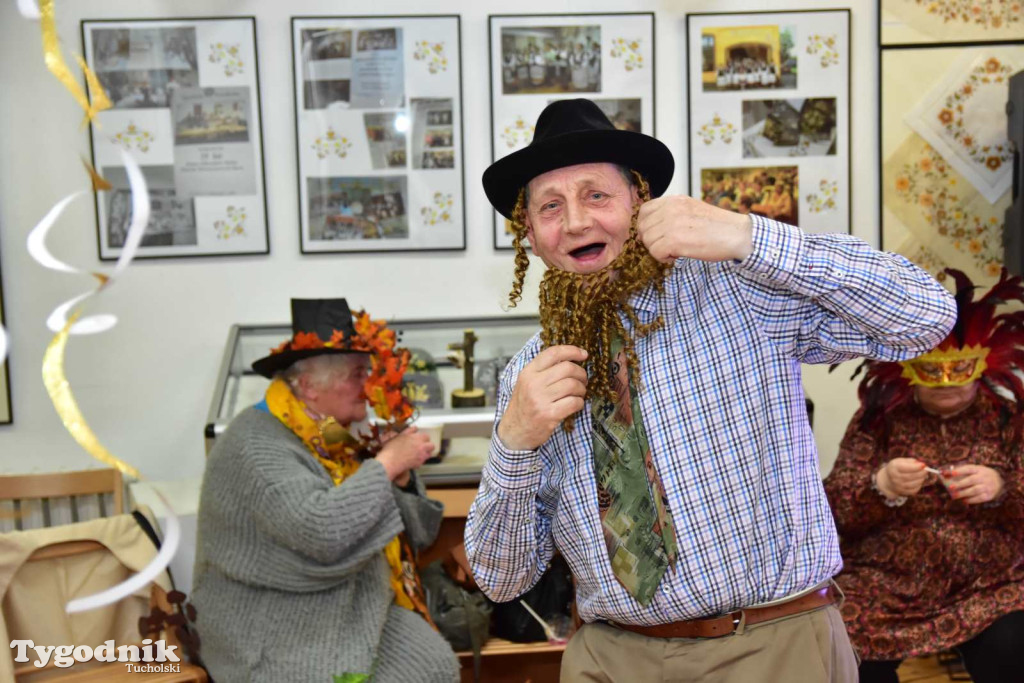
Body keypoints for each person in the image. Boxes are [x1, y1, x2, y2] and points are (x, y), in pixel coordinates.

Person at [466, 98, 956, 682]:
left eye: (596, 195)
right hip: (609, 657)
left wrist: (750, 235)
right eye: (550, 206)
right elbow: (501, 578)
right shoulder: (532, 374)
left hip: (769, 644)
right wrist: (513, 442)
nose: (575, 222)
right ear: (532, 234)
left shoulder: (735, 287)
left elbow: (924, 316)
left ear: (639, 202)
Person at [193, 298, 459, 683]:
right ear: (308, 386)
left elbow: (418, 534)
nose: (369, 387)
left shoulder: (330, 435)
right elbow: (319, 531)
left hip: (348, 604)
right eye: (356, 375)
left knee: (435, 664)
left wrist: (398, 478)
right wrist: (385, 466)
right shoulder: (254, 443)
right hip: (269, 626)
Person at [823, 269, 1024, 683]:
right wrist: (881, 486)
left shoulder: (1010, 419)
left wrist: (1003, 487)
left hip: (990, 585)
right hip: (885, 585)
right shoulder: (877, 420)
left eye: (959, 369)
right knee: (843, 647)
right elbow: (836, 508)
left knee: (1012, 646)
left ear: (985, 363)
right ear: (905, 369)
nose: (947, 383)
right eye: (932, 372)